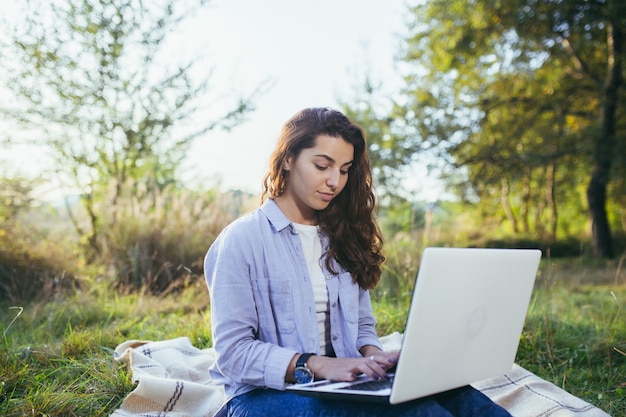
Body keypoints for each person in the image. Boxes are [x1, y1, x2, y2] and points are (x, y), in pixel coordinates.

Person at [204, 107, 512, 416]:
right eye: (322, 166)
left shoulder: (341, 235)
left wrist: (375, 358)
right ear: (288, 159)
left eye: (344, 169)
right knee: (419, 414)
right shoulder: (241, 241)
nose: (334, 182)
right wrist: (320, 365)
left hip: (342, 386)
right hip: (261, 397)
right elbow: (233, 353)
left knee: (461, 399)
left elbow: (362, 325)